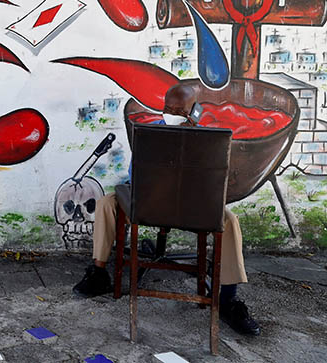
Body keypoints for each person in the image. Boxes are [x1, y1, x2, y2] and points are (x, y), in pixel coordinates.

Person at [72, 89, 261, 336]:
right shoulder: (149, 133)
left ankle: (228, 300)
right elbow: (134, 175)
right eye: (168, 109)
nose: (171, 114)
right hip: (150, 200)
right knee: (108, 203)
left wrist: (192, 139)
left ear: (194, 111)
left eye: (179, 111)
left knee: (230, 221)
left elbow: (215, 182)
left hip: (192, 205)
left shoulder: (209, 139)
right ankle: (98, 272)